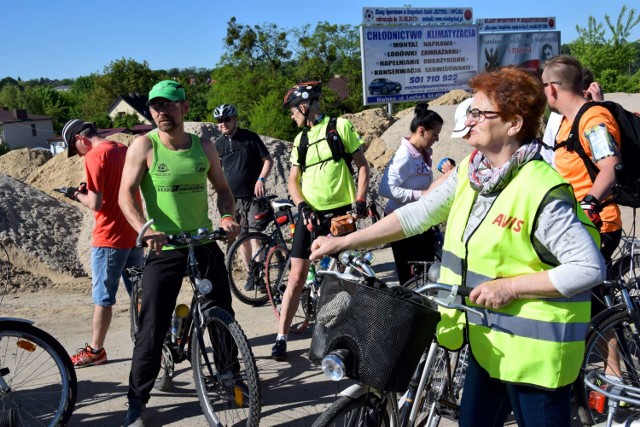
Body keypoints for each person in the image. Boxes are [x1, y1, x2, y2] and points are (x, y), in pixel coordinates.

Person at [311, 66, 605, 426]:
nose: (470, 119)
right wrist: (343, 242)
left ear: (513, 123)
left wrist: (509, 287)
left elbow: (589, 268)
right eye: (472, 110)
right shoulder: (472, 170)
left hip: (535, 359)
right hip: (488, 344)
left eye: (481, 113)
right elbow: (416, 215)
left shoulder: (540, 187)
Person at [118, 80, 240, 426]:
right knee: (152, 327)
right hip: (164, 246)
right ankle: (137, 401)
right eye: (156, 106)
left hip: (201, 241)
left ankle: (229, 375)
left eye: (169, 105)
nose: (161, 112)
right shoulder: (144, 146)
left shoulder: (205, 147)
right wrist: (145, 228)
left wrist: (228, 217)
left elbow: (223, 191)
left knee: (222, 313)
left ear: (184, 108)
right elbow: (125, 196)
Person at [271, 81, 370, 361]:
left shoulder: (340, 128)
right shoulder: (300, 140)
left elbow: (362, 165)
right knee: (297, 276)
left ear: (304, 105)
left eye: (293, 110)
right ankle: (281, 336)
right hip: (310, 214)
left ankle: (348, 336)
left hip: (340, 214)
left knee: (347, 278)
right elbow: (293, 180)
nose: (291, 115)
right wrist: (302, 206)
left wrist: (359, 201)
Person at [62, 119, 143, 368]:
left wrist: (75, 194)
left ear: (80, 139)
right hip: (134, 232)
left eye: (76, 150)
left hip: (109, 238)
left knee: (103, 298)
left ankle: (96, 350)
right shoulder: (121, 148)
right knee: (139, 294)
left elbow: (96, 203)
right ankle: (154, 342)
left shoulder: (95, 156)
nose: (78, 155)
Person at [542, 56, 622, 296]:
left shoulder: (592, 119)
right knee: (594, 306)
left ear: (553, 88)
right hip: (579, 223)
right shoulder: (568, 122)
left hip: (599, 224)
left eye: (544, 87)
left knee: (592, 305)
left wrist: (590, 203)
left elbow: (610, 166)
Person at [378, 103, 443, 285]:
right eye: (435, 134)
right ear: (422, 131)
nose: (437, 139)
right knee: (411, 280)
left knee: (425, 275)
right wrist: (421, 195)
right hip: (401, 223)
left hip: (418, 220)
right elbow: (385, 189)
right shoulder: (404, 156)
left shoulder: (422, 153)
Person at [213, 103, 273, 291]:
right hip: (233, 200)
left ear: (234, 120)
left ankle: (260, 275)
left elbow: (268, 160)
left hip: (254, 197)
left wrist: (261, 179)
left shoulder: (250, 138)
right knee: (241, 238)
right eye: (219, 121)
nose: (223, 124)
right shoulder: (218, 145)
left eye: (226, 120)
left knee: (255, 237)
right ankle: (250, 274)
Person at [542, 67, 604, 165]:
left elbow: (608, 164)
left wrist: (599, 104)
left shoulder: (594, 117)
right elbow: (547, 153)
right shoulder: (557, 116)